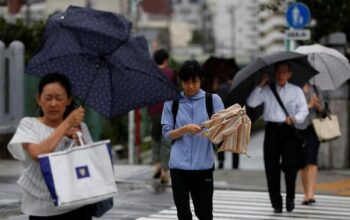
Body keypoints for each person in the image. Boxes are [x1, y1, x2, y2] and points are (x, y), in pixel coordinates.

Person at [7, 73, 94, 219]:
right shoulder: (28, 125)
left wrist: (80, 140)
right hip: (41, 210)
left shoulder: (80, 127)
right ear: (39, 99)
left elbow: (91, 163)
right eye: (48, 98)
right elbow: (38, 154)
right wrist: (66, 125)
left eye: (59, 98)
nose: (53, 104)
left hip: (76, 205)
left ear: (68, 100)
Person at [161, 60, 224, 220]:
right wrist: (184, 129)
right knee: (183, 214)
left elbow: (222, 132)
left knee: (204, 214)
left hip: (203, 167)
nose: (190, 87)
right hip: (178, 167)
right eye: (186, 82)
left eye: (194, 82)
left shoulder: (213, 100)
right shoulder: (172, 102)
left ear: (201, 80)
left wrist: (209, 130)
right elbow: (167, 135)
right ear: (181, 81)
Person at [247, 62, 308, 213]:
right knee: (271, 168)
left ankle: (290, 197)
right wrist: (261, 83)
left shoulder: (296, 91)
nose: (281, 75)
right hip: (271, 131)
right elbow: (251, 102)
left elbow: (304, 110)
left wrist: (295, 118)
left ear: (289, 74)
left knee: (290, 166)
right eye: (279, 72)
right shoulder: (267, 89)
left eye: (284, 72)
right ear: (275, 74)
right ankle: (276, 202)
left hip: (288, 131)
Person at [148, 48, 177, 184]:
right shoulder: (171, 73)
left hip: (154, 110)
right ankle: (165, 171)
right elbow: (176, 92)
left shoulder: (151, 73)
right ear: (166, 59)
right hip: (168, 110)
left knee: (155, 138)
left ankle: (157, 166)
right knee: (166, 141)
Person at [296, 83, 324, 205]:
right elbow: (292, 110)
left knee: (312, 160)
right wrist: (309, 105)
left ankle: (311, 194)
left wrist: (318, 106)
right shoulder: (295, 89)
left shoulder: (316, 88)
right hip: (299, 129)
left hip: (314, 127)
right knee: (302, 163)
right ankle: (306, 193)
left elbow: (324, 109)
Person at [213, 76, 240, 169]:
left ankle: (221, 161)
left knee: (221, 139)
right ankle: (235, 164)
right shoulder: (237, 88)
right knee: (235, 140)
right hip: (234, 116)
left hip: (222, 116)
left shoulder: (221, 88)